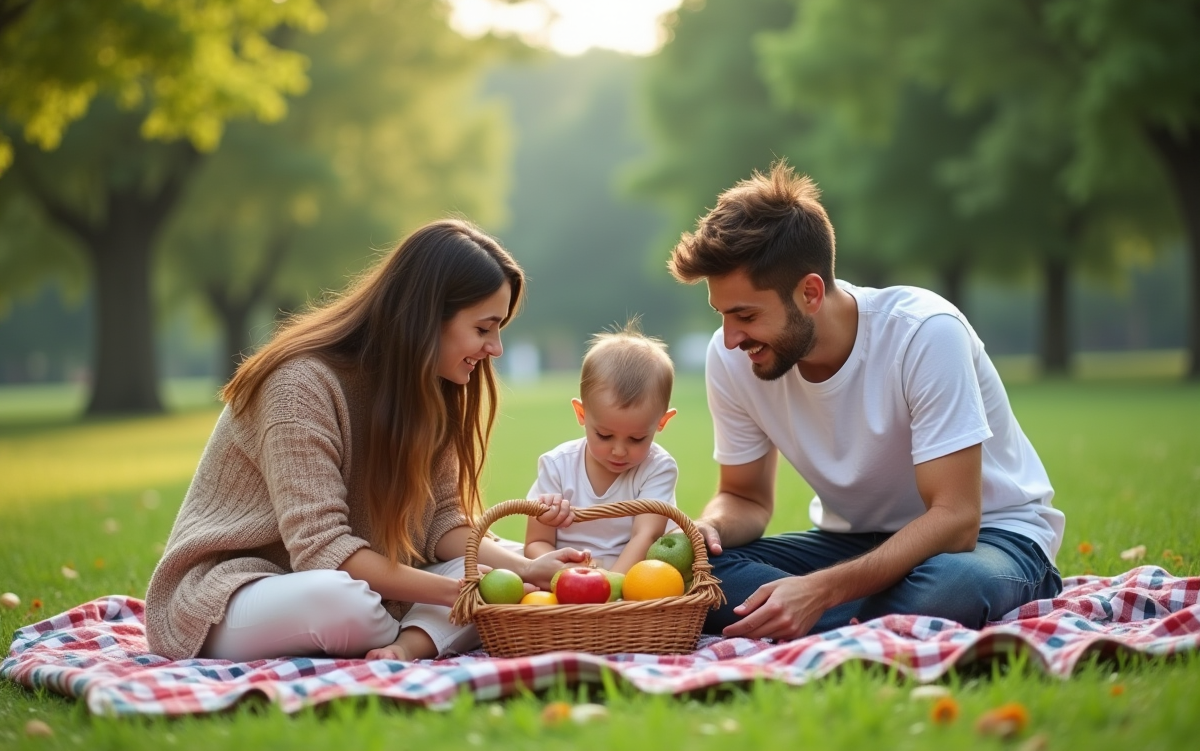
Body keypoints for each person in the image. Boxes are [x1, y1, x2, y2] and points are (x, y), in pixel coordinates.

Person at [145, 219, 585, 663]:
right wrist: (463, 589)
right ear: (429, 317)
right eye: (484, 328)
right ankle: (424, 629)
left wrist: (525, 569)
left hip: (360, 581)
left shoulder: (429, 387)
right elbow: (322, 550)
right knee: (343, 603)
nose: (496, 349)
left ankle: (406, 642)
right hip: (232, 594)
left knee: (502, 563)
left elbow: (443, 522)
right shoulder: (299, 385)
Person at [667, 161, 1065, 640]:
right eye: (722, 316)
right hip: (851, 543)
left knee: (950, 589)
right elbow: (745, 497)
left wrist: (820, 591)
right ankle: (875, 620)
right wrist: (706, 530)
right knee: (695, 576)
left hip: (989, 537)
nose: (730, 338)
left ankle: (817, 615)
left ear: (810, 292)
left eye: (745, 315)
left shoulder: (924, 333)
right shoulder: (732, 358)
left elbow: (956, 518)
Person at [525, 320, 679, 574]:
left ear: (661, 422)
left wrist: (610, 586)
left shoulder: (657, 468)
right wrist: (566, 572)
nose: (619, 450)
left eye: (637, 438)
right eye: (604, 435)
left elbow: (646, 536)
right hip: (567, 580)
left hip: (631, 578)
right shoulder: (558, 465)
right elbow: (536, 542)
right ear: (581, 413)